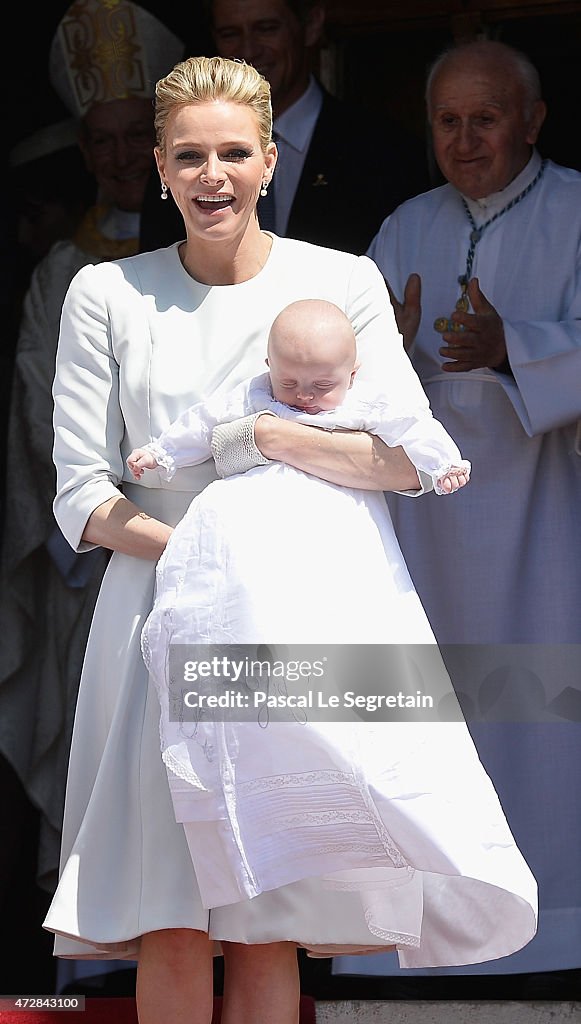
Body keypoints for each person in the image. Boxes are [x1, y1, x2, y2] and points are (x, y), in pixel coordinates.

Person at [43, 55, 537, 1023]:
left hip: (296, 614)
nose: (211, 174)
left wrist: (266, 435)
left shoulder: (340, 281)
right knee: (170, 916)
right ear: (157, 166)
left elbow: (398, 460)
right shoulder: (104, 293)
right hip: (158, 614)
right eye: (189, 155)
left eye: (234, 152)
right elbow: (80, 496)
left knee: (266, 912)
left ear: (270, 160)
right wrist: (191, 558)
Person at [342, 38, 581, 990]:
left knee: (540, 719)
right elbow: (328, 366)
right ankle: (417, 926)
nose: (465, 139)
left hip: (545, 521)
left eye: (486, 119)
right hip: (422, 537)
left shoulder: (573, 210)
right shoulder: (404, 227)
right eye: (448, 121)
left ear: (532, 121)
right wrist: (380, 356)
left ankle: (550, 925)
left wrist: (514, 346)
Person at [0, 0, 184, 977]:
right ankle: (103, 955)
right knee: (105, 749)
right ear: (84, 145)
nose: (118, 158)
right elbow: (42, 409)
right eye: (101, 140)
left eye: (132, 138)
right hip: (99, 557)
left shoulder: (204, 253)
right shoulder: (60, 274)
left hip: (195, 545)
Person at [138, 0, 429, 255]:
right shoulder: (183, 154)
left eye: (266, 28)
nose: (248, 49)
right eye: (230, 33)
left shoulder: (383, 150)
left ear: (311, 25)